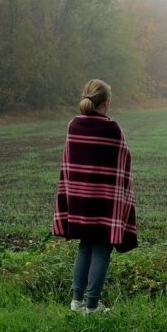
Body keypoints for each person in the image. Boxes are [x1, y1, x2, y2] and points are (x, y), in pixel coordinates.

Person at [52, 79, 137, 314]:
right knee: (102, 249)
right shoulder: (112, 129)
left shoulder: (73, 125)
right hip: (104, 202)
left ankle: (76, 302)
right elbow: (123, 164)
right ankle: (91, 306)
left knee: (84, 246)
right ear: (106, 102)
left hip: (79, 200)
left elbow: (68, 164)